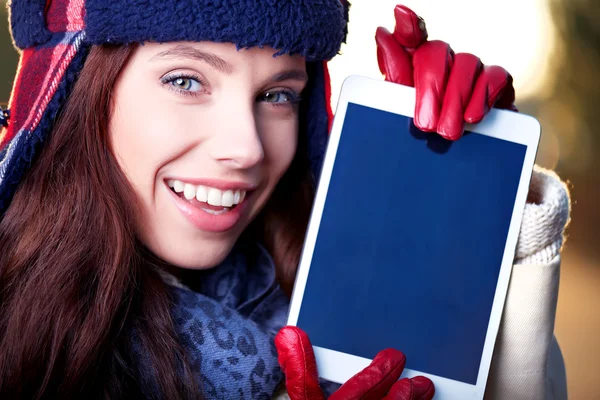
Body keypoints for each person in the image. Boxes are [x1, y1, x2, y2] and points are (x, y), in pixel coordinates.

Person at [0, 1, 569, 399]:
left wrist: (481, 202)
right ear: (76, 91)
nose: (247, 148)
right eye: (186, 80)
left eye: (277, 94)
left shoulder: (330, 302)